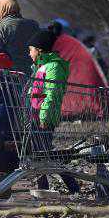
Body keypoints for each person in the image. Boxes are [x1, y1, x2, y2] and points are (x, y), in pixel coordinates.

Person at [26, 27, 79, 193]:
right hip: (35, 117)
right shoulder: (41, 66)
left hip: (44, 119)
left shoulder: (53, 67)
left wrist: (44, 117)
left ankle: (71, 186)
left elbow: (52, 95)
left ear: (39, 50)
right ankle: (43, 189)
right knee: (39, 155)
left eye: (31, 50)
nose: (29, 54)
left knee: (43, 156)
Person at [0, 0, 40, 75]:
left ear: (0, 11)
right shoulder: (34, 25)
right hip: (35, 74)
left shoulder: (1, 27)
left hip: (12, 77)